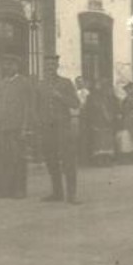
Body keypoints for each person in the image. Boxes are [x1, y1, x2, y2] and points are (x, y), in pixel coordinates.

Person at [35, 54, 81, 203]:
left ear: (57, 66)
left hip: (63, 127)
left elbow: (75, 104)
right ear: (44, 67)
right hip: (47, 128)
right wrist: (39, 123)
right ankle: (57, 193)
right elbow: (36, 107)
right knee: (51, 160)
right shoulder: (40, 85)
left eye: (52, 65)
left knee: (68, 161)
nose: (49, 68)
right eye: (47, 66)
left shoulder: (66, 83)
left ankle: (71, 195)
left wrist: (61, 96)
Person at [0, 55, 32, 198]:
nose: (7, 67)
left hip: (17, 127)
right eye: (5, 64)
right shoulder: (2, 83)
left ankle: (20, 189)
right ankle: (6, 189)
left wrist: (24, 127)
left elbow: (28, 106)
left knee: (18, 159)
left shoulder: (24, 82)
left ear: (17, 66)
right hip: (3, 127)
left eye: (11, 64)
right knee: (4, 158)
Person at [85, 80, 117, 166]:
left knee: (107, 141)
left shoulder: (109, 97)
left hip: (107, 122)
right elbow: (88, 111)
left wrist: (111, 117)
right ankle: (99, 160)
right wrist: (91, 122)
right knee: (98, 142)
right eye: (97, 86)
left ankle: (107, 159)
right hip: (97, 122)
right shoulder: (90, 97)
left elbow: (113, 108)